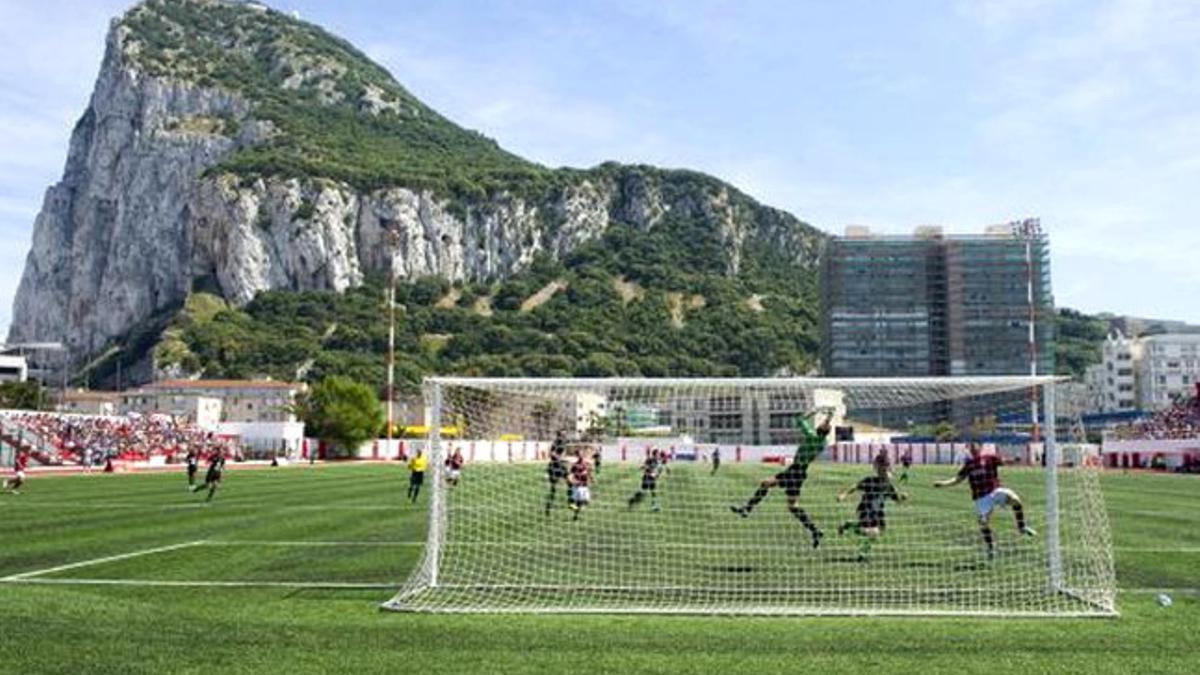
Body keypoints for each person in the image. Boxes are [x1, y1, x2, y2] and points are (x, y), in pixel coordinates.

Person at [730, 410, 832, 549]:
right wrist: (829, 417)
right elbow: (824, 428)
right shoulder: (822, 442)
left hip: (795, 470)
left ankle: (747, 509)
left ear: (818, 429)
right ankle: (815, 531)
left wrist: (813, 412)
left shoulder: (811, 436)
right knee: (793, 507)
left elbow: (800, 420)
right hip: (800, 472)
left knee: (765, 483)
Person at [935, 442, 1037, 561]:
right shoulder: (969, 465)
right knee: (983, 523)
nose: (973, 449)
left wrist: (1015, 459)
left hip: (995, 491)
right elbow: (958, 479)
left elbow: (1004, 461)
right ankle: (990, 547)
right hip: (981, 498)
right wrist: (943, 484)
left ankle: (1022, 527)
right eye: (970, 447)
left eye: (975, 447)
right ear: (969, 449)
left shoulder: (989, 458)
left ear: (980, 448)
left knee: (1015, 500)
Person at [837, 453, 906, 562]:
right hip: (866, 510)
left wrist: (902, 498)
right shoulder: (871, 481)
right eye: (883, 467)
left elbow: (896, 499)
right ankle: (850, 530)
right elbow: (856, 486)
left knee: (878, 532)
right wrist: (843, 495)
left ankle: (861, 552)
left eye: (887, 467)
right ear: (878, 469)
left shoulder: (888, 486)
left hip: (878, 513)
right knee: (872, 533)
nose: (886, 470)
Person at [544, 431, 569, 516]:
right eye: (563, 435)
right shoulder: (555, 443)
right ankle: (548, 507)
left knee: (570, 481)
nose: (564, 436)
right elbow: (551, 453)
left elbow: (561, 453)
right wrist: (560, 458)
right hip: (554, 466)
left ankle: (571, 502)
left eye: (565, 435)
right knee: (553, 488)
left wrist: (563, 459)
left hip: (560, 466)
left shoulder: (563, 443)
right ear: (559, 435)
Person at [567, 449, 594, 521]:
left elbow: (589, 473)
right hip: (578, 486)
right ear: (577, 455)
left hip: (584, 486)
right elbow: (570, 475)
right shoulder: (575, 465)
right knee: (575, 504)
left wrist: (591, 479)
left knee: (587, 501)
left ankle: (576, 513)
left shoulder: (586, 464)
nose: (581, 455)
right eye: (579, 454)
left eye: (582, 454)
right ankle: (575, 513)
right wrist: (573, 481)